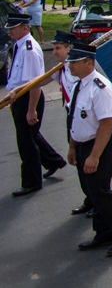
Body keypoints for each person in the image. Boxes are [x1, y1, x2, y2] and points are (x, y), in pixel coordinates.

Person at [66, 43, 112, 257]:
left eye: (75, 62)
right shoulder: (79, 86)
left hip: (99, 146)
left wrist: (94, 156)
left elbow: (106, 124)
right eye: (70, 62)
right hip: (82, 145)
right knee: (92, 192)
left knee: (100, 191)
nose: (70, 66)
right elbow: (75, 119)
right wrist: (72, 147)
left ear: (89, 62)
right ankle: (103, 232)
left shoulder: (100, 88)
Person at [5, 13, 66, 196]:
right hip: (19, 96)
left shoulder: (29, 50)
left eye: (13, 28)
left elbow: (34, 84)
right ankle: (53, 161)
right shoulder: (20, 45)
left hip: (28, 98)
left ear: (25, 27)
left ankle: (31, 182)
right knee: (31, 134)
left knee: (26, 141)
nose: (9, 32)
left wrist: (31, 110)